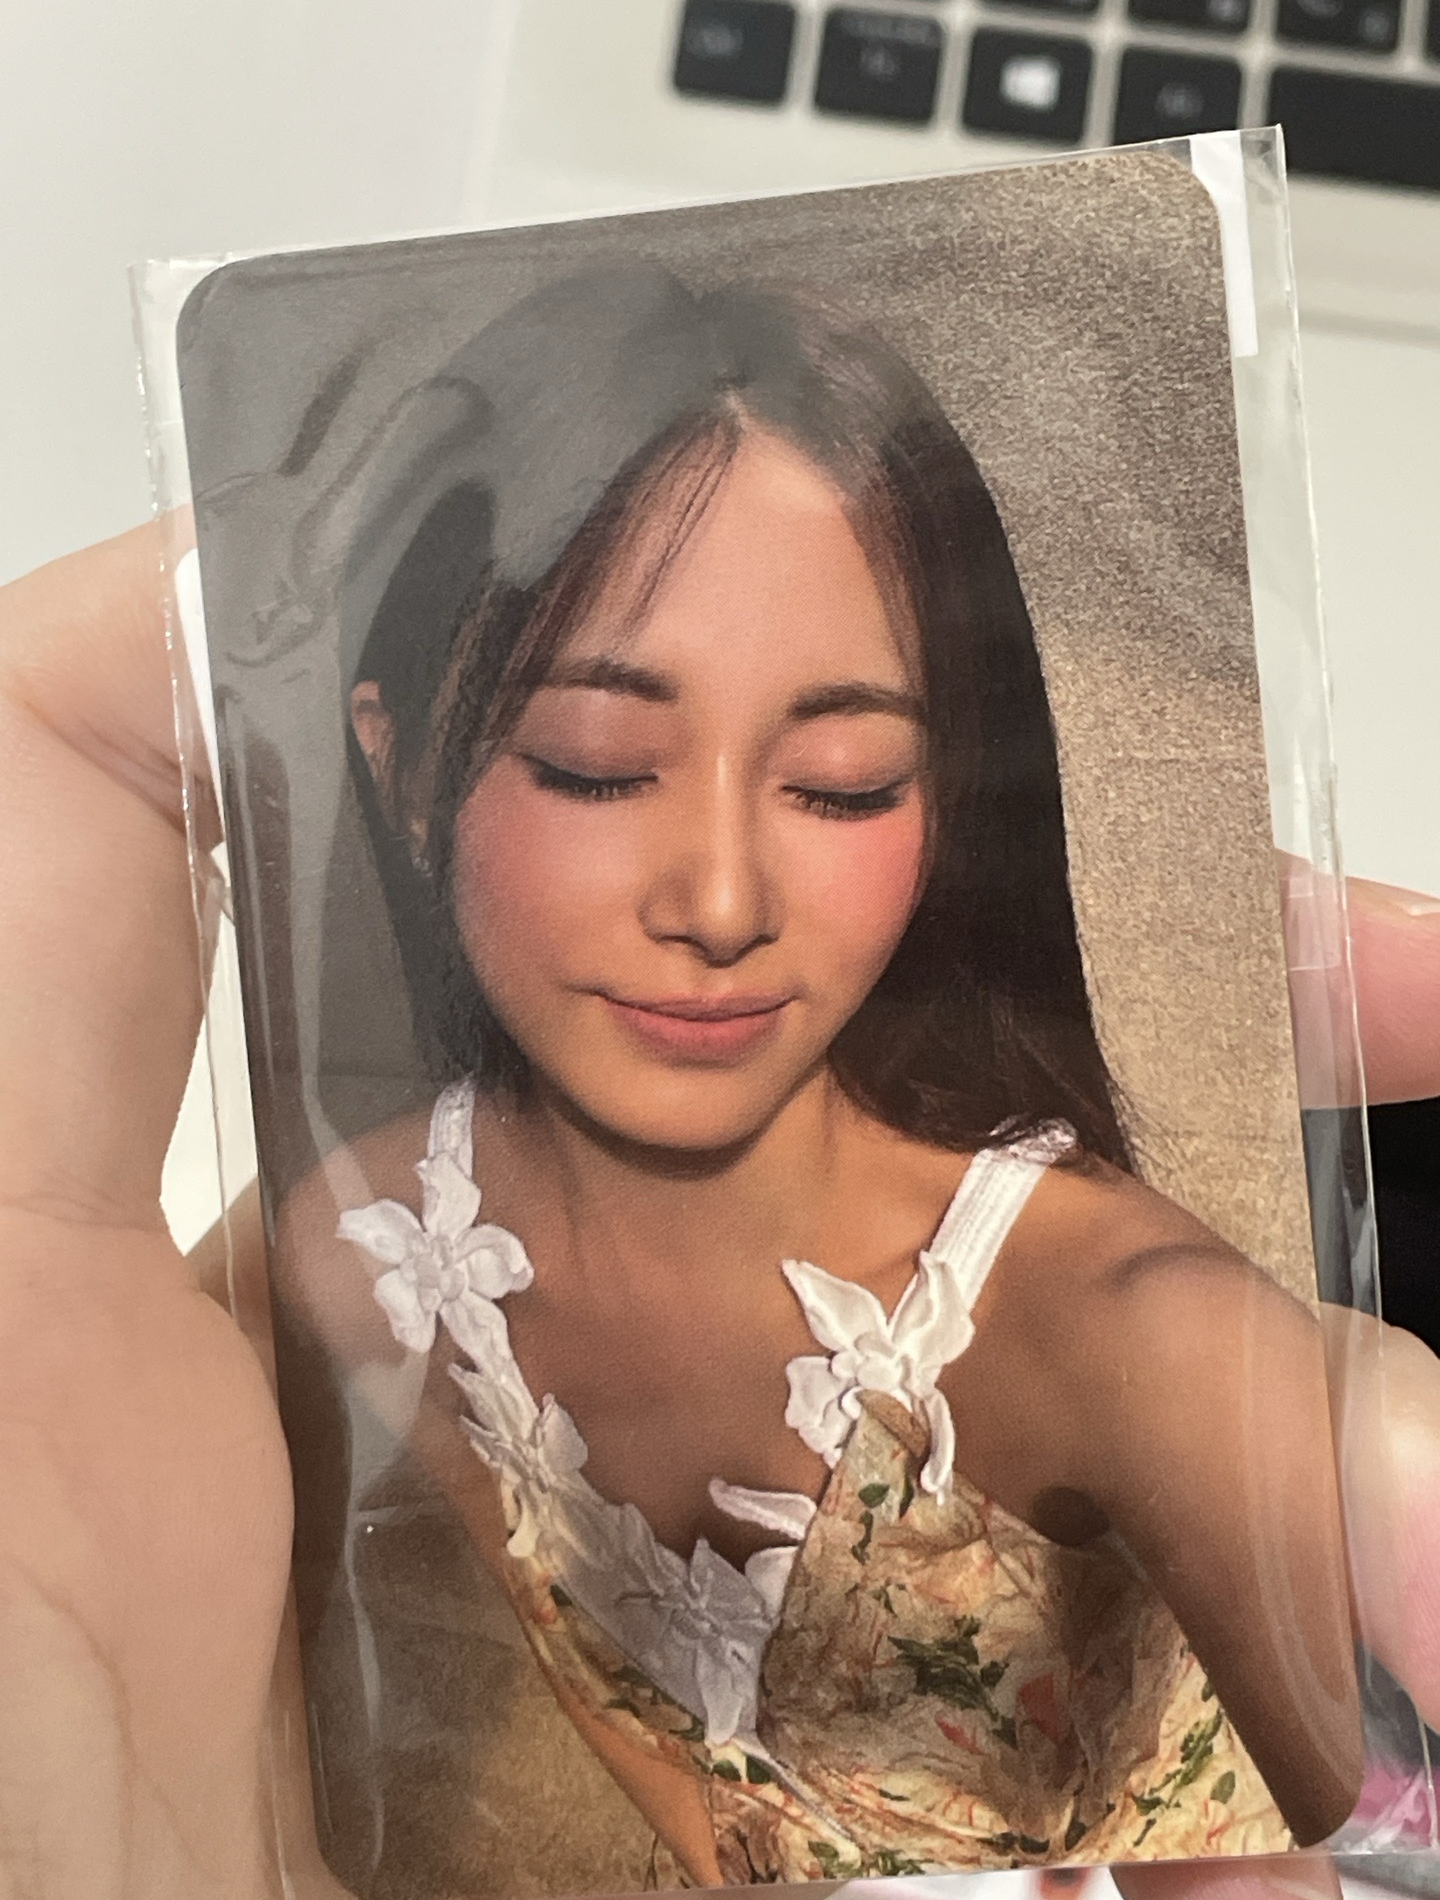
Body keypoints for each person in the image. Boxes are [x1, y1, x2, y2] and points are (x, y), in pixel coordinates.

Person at [0, 414, 1436, 1900]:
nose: (725, 901)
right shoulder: (384, 1254)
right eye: (598, 767)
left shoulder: (1136, 1332)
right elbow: (693, 1786)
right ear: (405, 764)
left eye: (843, 783)